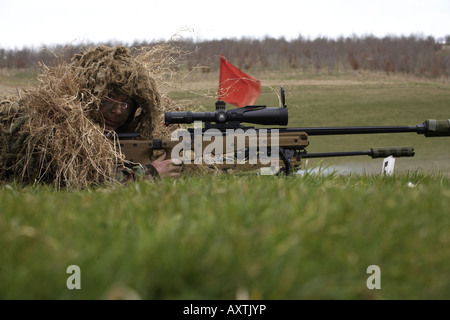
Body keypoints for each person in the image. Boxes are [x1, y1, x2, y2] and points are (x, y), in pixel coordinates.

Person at [0, 44, 183, 188]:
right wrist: (148, 174)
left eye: (126, 104)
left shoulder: (112, 133)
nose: (117, 111)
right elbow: (83, 175)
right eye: (109, 98)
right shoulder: (55, 124)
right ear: (88, 95)